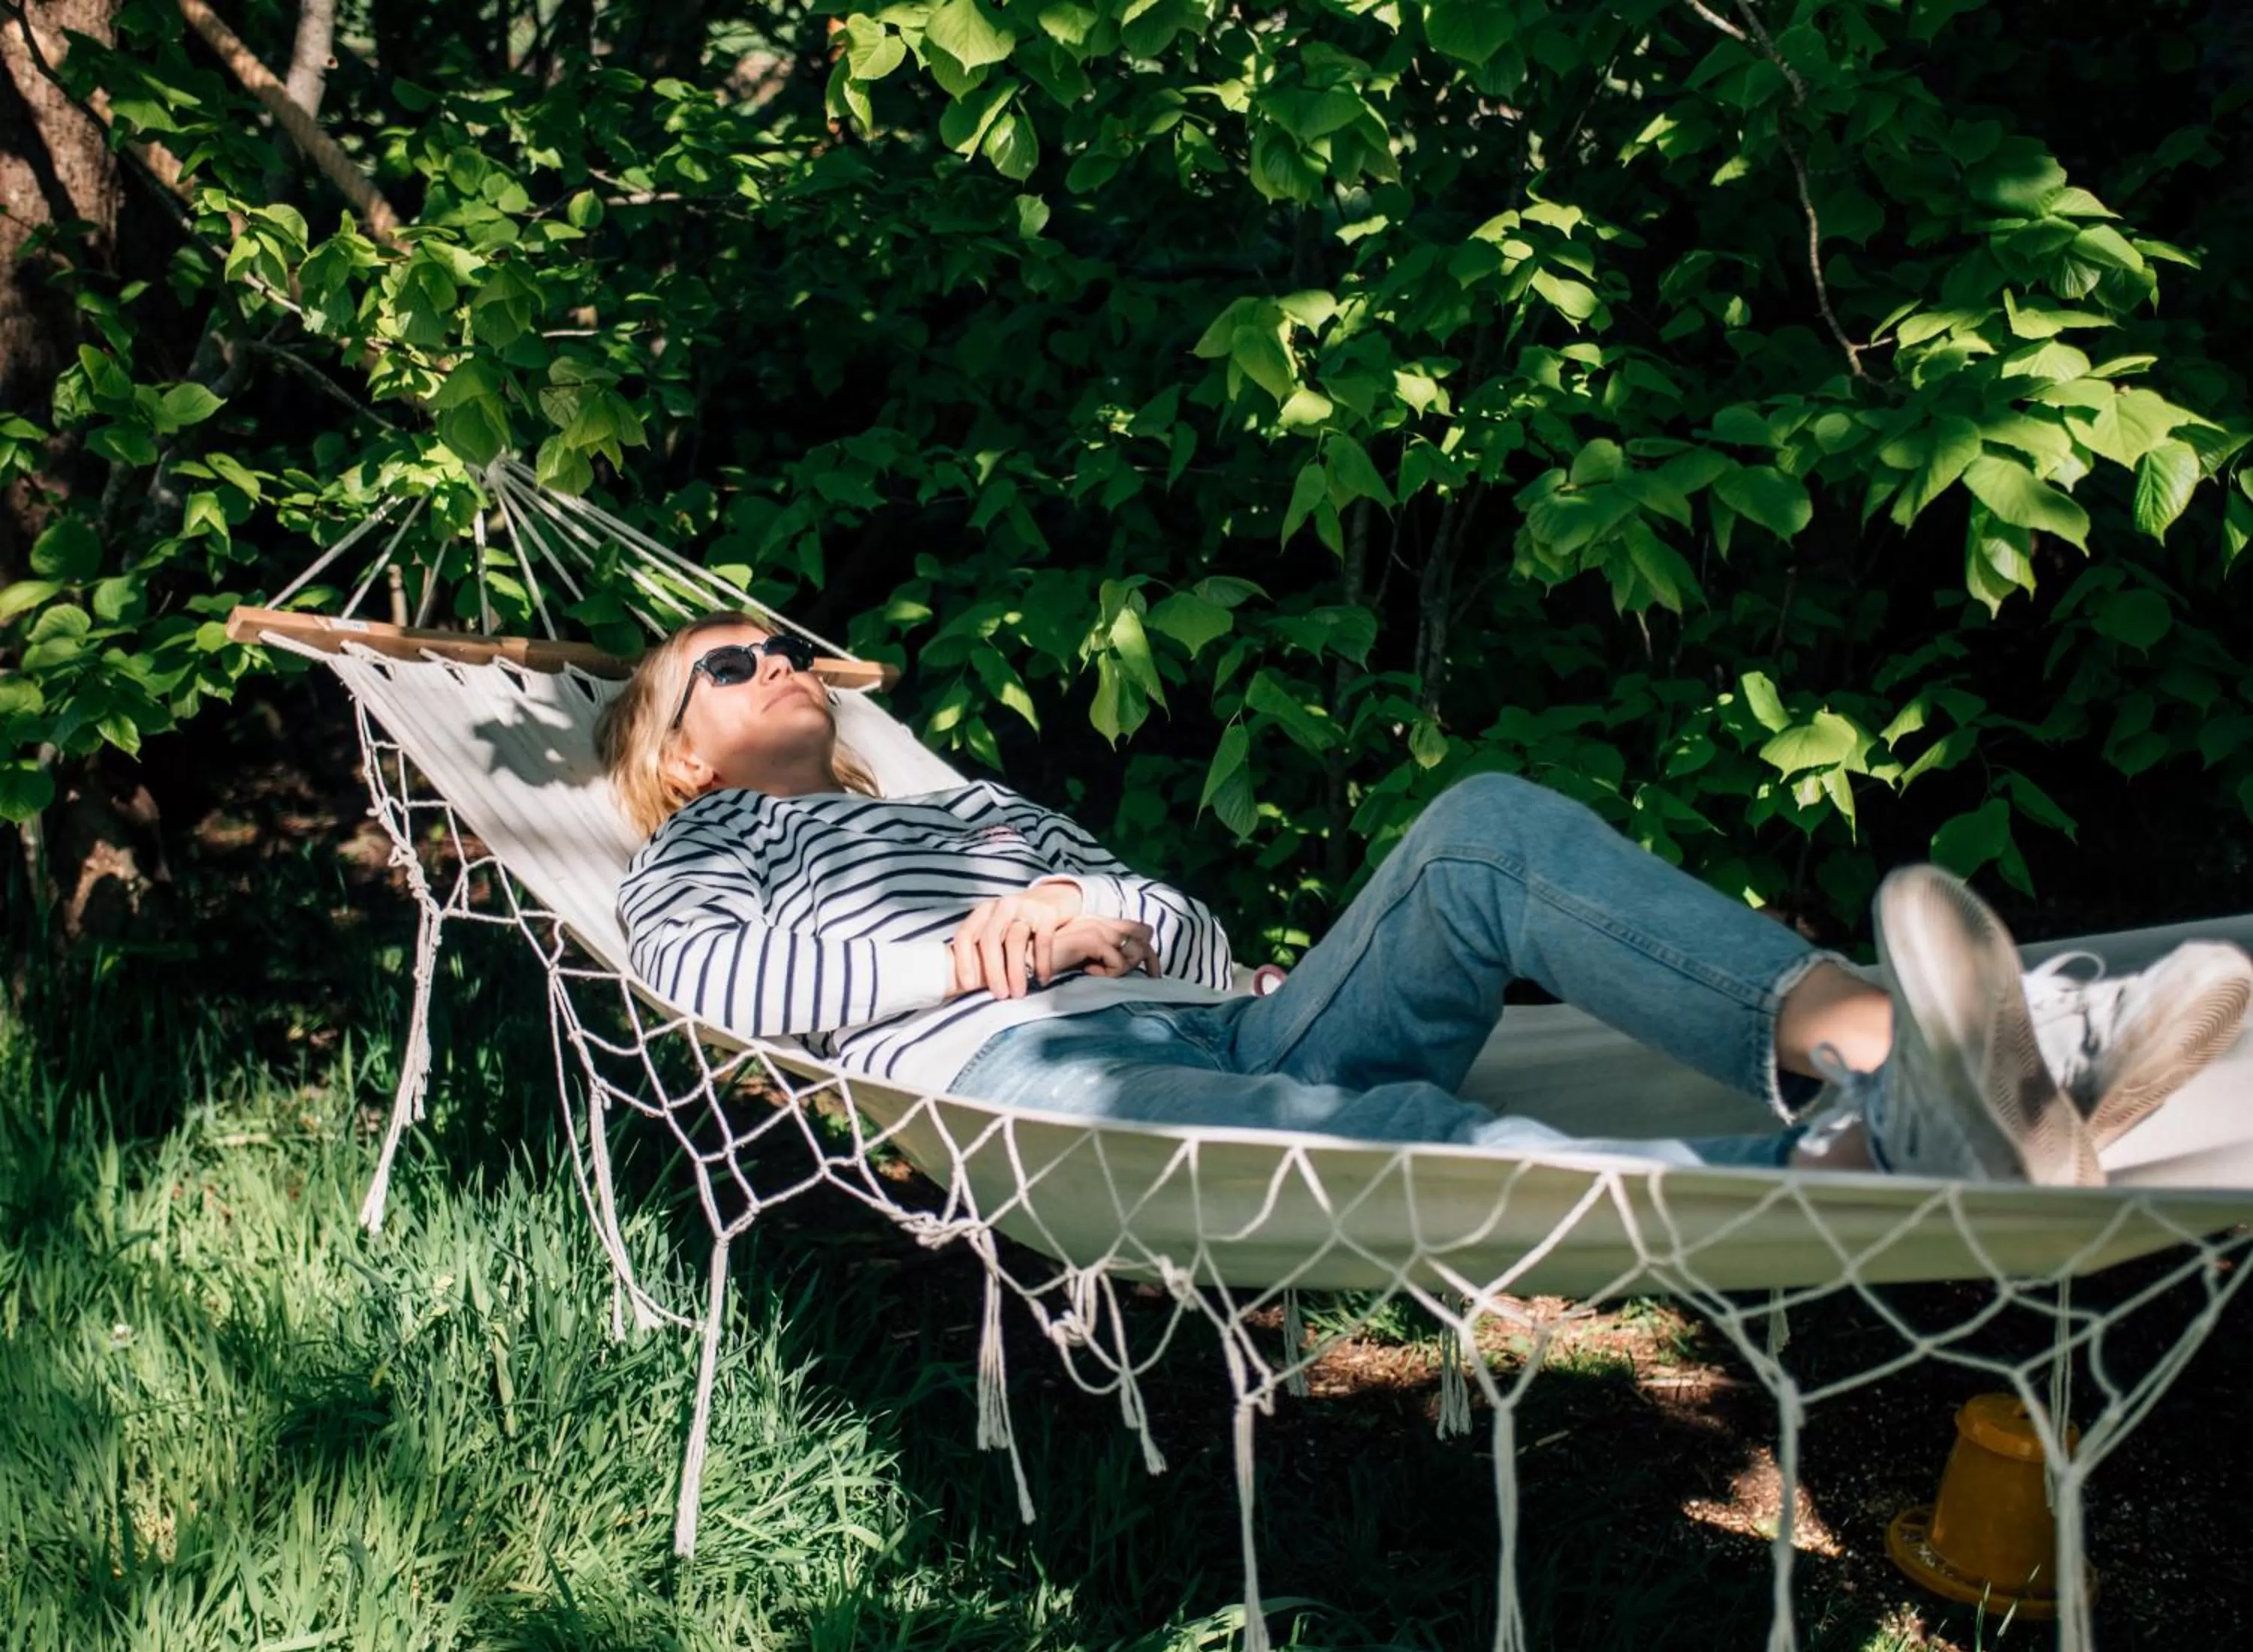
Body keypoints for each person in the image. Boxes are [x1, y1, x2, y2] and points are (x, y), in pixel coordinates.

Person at [595, 613, 2251, 1183]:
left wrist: (1107, 919)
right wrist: (955, 950)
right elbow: (719, 986)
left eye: (792, 645)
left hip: (1204, 1011)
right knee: (1388, 1142)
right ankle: (1857, 1161)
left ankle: (1944, 1053)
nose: (783, 663)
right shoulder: (705, 853)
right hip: (1018, 1086)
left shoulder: (964, 802)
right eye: (731, 666)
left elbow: (1193, 925)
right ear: (676, 753)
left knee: (1482, 826)